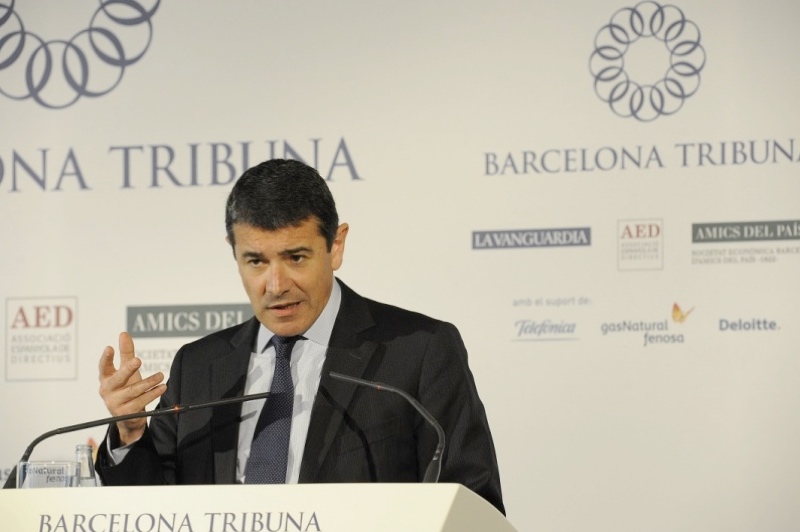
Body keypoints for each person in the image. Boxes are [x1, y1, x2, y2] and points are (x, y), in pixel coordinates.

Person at [96, 158, 505, 514]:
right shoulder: (198, 365)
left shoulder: (419, 351)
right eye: (255, 261)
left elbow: (473, 504)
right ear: (233, 252)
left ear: (336, 246)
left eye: (295, 257)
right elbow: (153, 511)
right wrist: (131, 434)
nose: (276, 285)